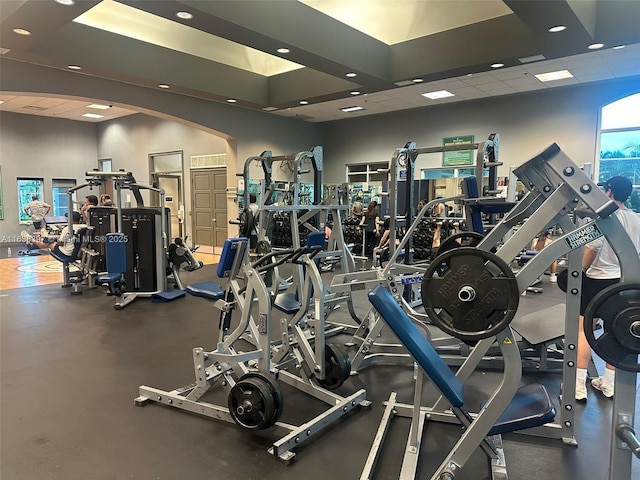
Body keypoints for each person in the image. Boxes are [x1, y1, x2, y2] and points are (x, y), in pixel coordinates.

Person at [575, 176, 640, 401]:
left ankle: (577, 387)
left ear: (609, 191)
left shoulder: (603, 218)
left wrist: (578, 270)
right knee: (617, 330)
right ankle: (609, 384)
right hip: (625, 282)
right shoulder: (637, 219)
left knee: (584, 330)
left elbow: (591, 249)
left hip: (598, 280)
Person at [20, 211, 85, 261]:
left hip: (67, 254)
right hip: (80, 253)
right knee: (50, 240)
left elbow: (61, 244)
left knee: (49, 244)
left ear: (70, 219)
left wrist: (57, 240)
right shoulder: (85, 227)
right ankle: (42, 238)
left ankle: (31, 239)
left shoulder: (68, 229)